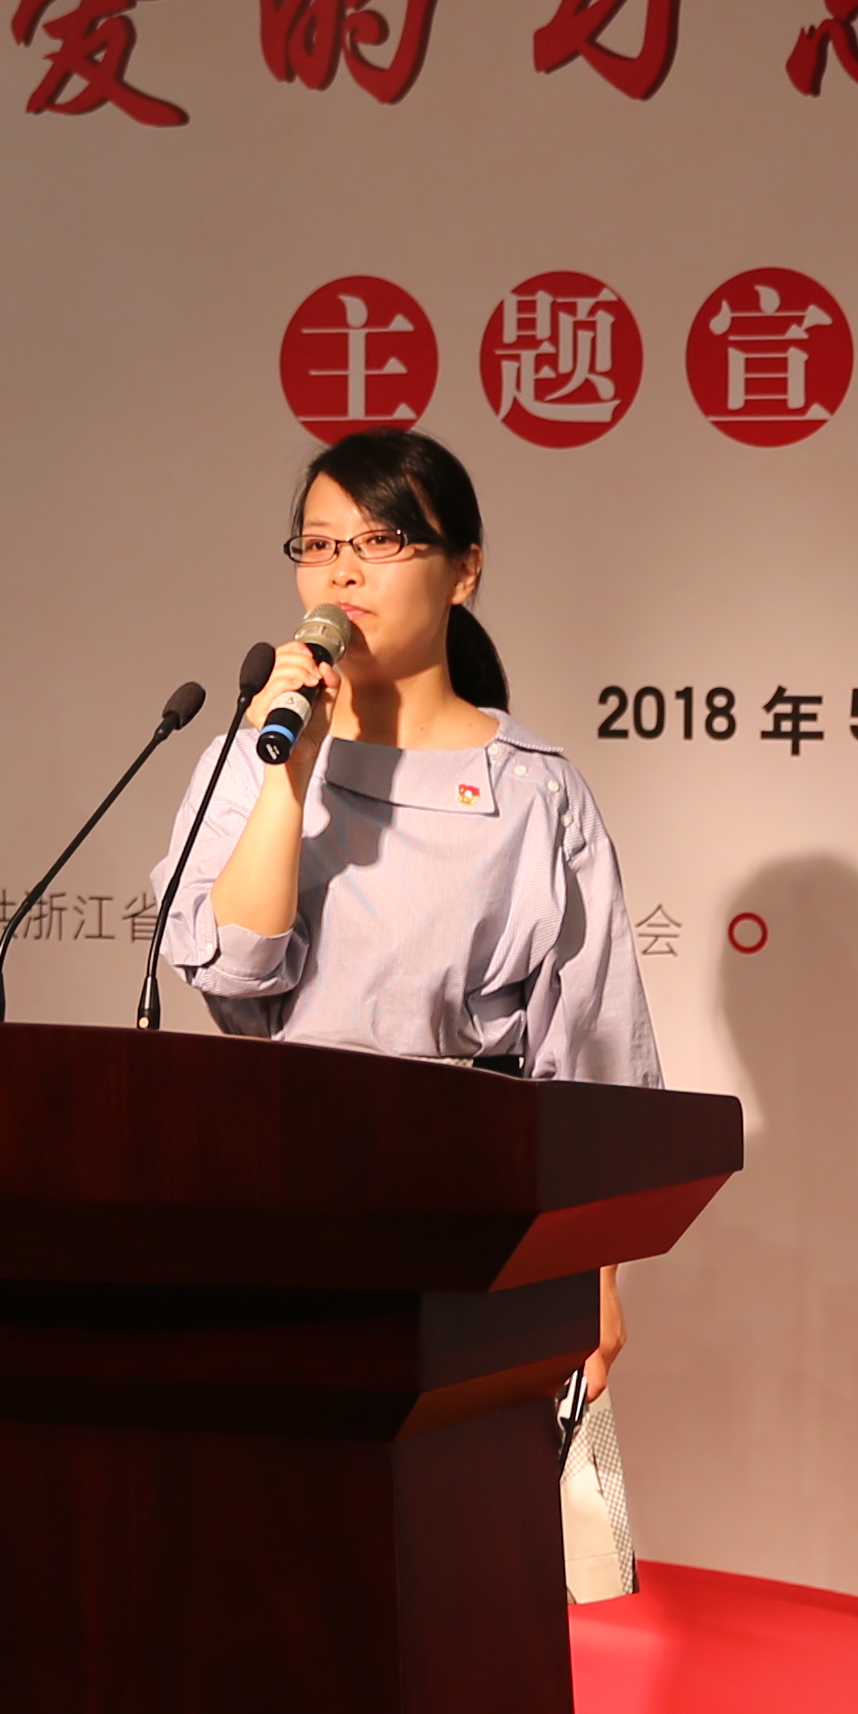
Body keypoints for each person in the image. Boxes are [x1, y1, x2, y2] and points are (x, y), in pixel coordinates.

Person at [157, 426, 658, 1407]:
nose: (342, 571)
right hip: (268, 1195)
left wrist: (596, 1275)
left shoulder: (534, 789)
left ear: (464, 570)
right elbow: (234, 972)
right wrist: (288, 778)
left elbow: (594, 1053)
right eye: (319, 544)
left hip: (465, 1202)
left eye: (380, 541)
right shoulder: (248, 755)